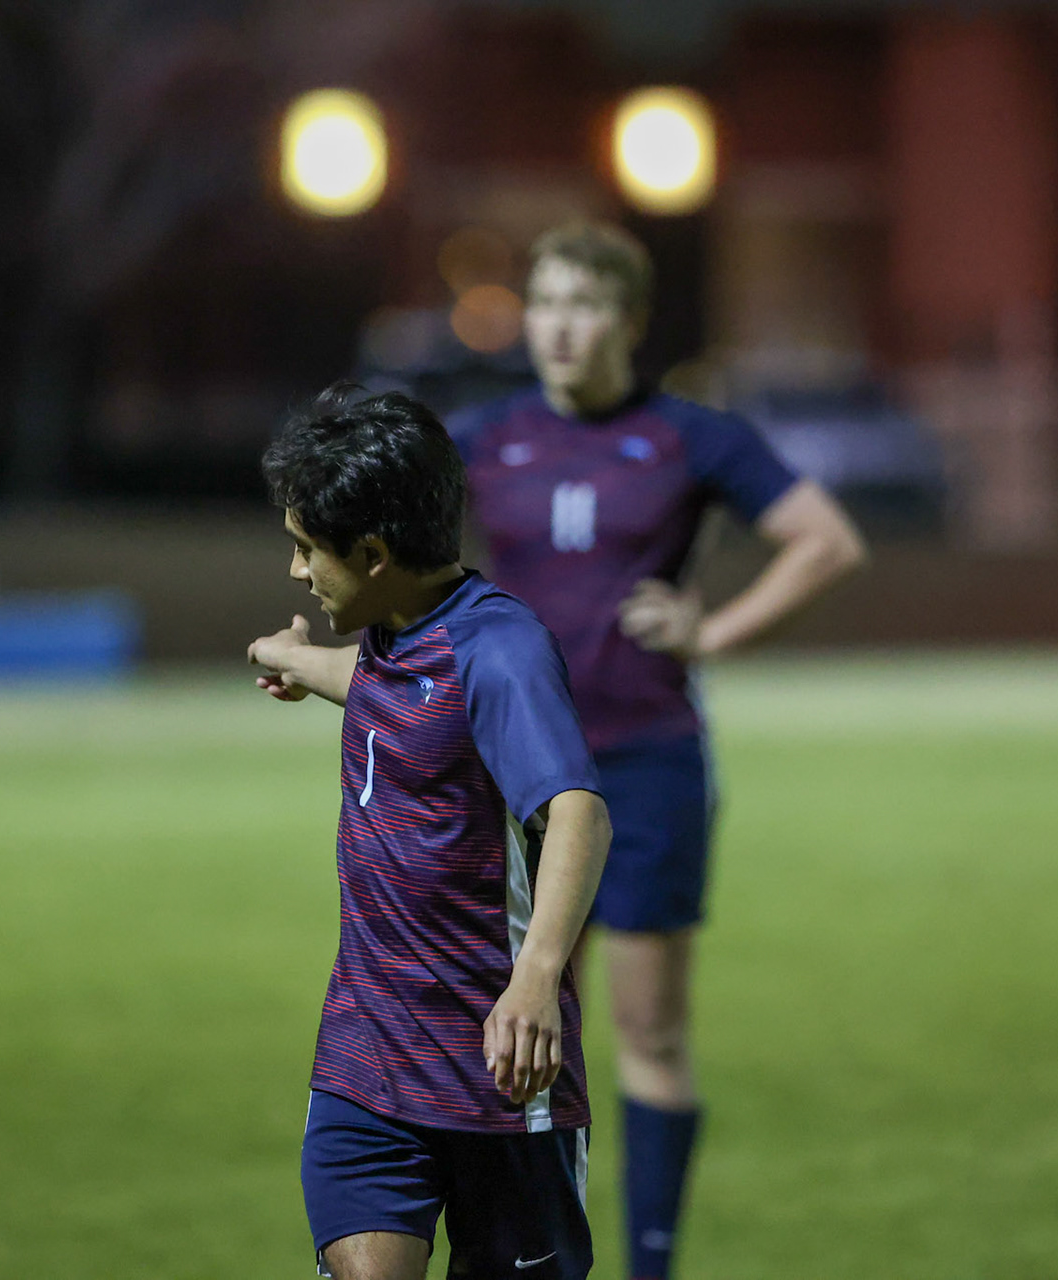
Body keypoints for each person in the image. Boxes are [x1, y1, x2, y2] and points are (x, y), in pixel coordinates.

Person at [444, 222, 869, 1280]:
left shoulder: (689, 435)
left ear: (630, 322)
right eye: (544, 303)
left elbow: (828, 539)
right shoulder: (486, 436)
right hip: (516, 774)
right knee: (521, 1037)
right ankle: (536, 1259)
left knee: (650, 1031)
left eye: (585, 305)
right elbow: (387, 546)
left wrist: (709, 631)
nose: (560, 327)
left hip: (648, 763)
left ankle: (649, 1265)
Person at [248, 387, 614, 1280]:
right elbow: (392, 690)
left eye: (308, 550)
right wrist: (293, 660)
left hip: (498, 1077)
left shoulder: (501, 653)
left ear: (374, 555)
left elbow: (578, 811)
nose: (297, 572)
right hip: (365, 1063)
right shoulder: (396, 632)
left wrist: (534, 982)